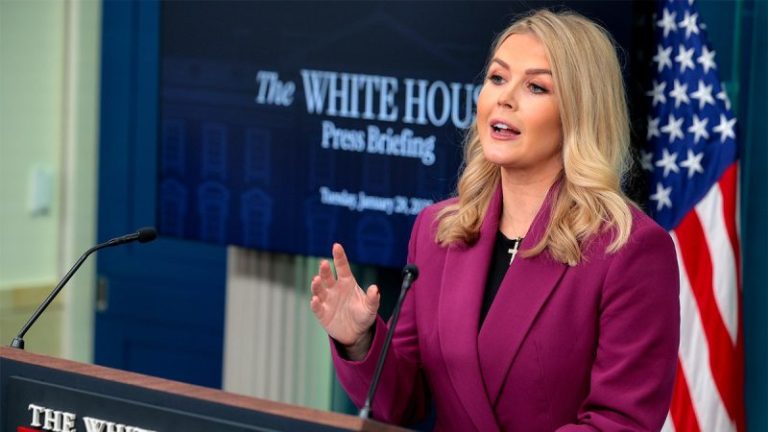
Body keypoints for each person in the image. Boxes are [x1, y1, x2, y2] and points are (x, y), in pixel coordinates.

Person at [310, 9, 679, 431]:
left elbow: (620, 422)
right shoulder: (437, 231)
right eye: (498, 78)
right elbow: (404, 404)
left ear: (580, 114)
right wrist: (360, 342)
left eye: (536, 87)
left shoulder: (629, 250)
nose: (505, 98)